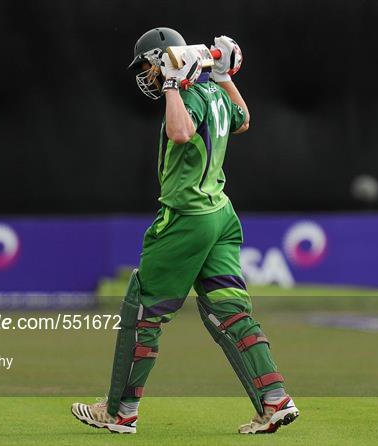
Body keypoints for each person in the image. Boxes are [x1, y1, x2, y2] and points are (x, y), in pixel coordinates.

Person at [72, 27, 299, 435]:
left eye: (148, 65)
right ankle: (274, 400)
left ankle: (120, 412)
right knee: (229, 311)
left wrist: (176, 86)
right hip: (221, 215)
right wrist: (225, 77)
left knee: (143, 313)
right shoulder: (212, 92)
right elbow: (243, 119)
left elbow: (180, 132)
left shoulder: (190, 95)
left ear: (166, 59)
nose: (146, 75)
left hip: (186, 218)